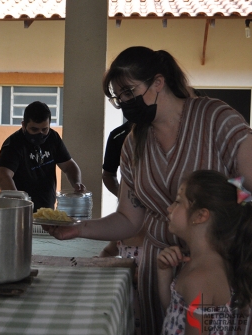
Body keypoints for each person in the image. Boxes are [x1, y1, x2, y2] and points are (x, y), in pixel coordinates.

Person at [45, 46, 252, 334]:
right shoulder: (134, 143)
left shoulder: (215, 119)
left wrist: (234, 243)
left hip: (218, 271)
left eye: (129, 92)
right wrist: (78, 229)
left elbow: (249, 191)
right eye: (119, 98)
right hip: (161, 269)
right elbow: (130, 219)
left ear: (158, 82)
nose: (126, 102)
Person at [158, 170, 252, 334]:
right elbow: (174, 314)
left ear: (201, 215)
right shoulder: (198, 263)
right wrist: (164, 272)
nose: (169, 208)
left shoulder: (200, 278)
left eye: (178, 202)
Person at [0, 101, 85, 211]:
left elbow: (69, 166)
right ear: (23, 125)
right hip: (20, 211)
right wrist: (19, 202)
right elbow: (2, 176)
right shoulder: (14, 144)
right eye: (34, 129)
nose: (40, 134)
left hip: (47, 209)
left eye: (44, 129)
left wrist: (76, 183)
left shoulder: (53, 138)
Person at [99, 120, 145, 335]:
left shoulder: (163, 231)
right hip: (129, 308)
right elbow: (109, 251)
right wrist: (125, 199)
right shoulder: (118, 136)